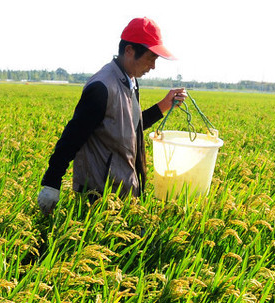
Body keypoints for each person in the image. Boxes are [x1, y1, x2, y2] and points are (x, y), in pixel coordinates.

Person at [37, 17, 187, 214]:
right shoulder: (102, 87)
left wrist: (164, 105)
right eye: (151, 58)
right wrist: (51, 183)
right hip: (98, 197)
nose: (153, 66)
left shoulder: (129, 81)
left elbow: (128, 127)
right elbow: (72, 138)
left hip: (122, 192)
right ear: (129, 51)